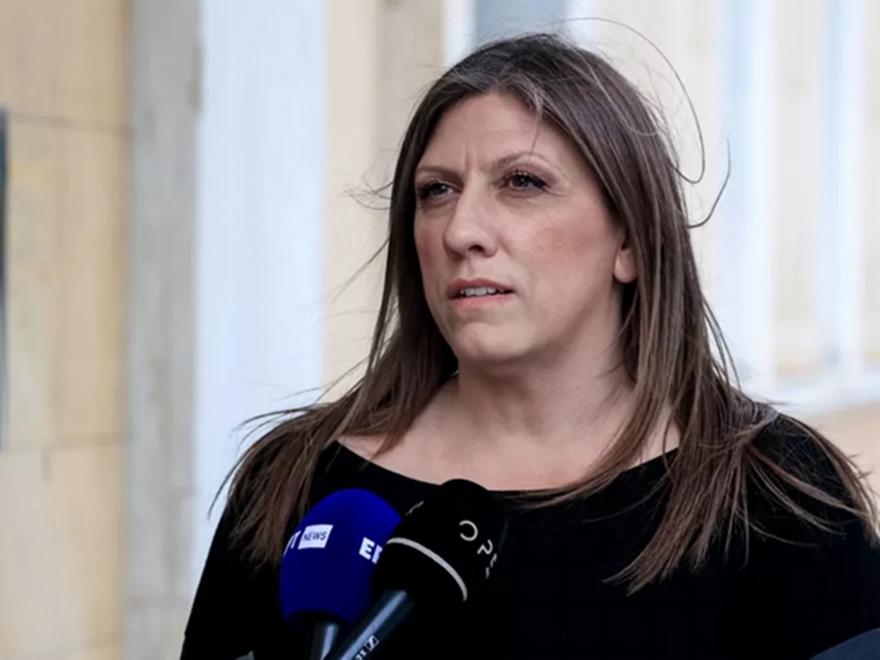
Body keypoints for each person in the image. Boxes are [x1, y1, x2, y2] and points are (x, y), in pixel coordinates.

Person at [181, 33, 880, 659]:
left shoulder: (775, 495)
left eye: (522, 183)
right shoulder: (300, 485)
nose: (461, 231)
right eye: (436, 191)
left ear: (631, 240)